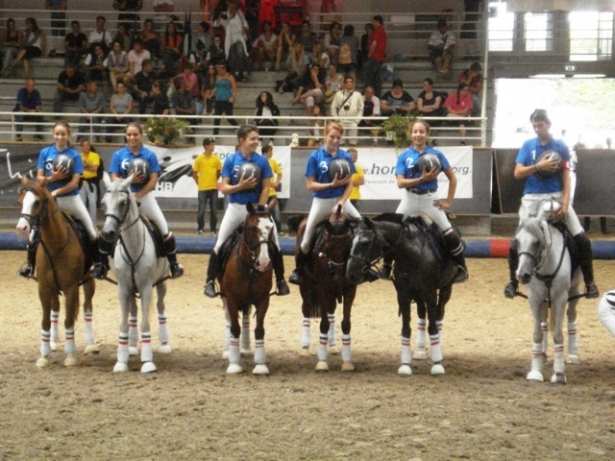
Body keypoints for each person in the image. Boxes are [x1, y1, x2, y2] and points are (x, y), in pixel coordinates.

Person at [503, 109, 599, 299]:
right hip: (532, 198)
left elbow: (566, 176)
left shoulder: (561, 146)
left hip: (555, 197)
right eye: (534, 126)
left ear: (548, 124)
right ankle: (513, 282)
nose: (537, 129)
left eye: (541, 125)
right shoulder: (527, 145)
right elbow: (517, 173)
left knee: (582, 239)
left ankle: (590, 283)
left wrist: (565, 204)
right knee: (517, 242)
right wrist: (539, 166)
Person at [203, 125, 290, 297]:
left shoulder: (262, 161)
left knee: (276, 244)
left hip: (257, 210)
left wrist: (260, 209)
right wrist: (240, 186)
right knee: (220, 244)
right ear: (242, 141)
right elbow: (225, 188)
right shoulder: (230, 161)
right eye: (253, 139)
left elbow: (266, 188)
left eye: (257, 139)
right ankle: (210, 281)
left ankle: (280, 280)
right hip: (236, 208)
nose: (256, 142)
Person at [94, 121, 184, 279]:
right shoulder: (119, 155)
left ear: (141, 136)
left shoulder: (149, 155)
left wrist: (136, 196)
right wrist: (128, 183)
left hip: (145, 198)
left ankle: (173, 264)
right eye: (129, 135)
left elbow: (153, 180)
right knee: (108, 229)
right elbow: (114, 176)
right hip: (123, 198)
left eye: (135, 134)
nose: (132, 137)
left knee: (164, 230)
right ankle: (101, 264)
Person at [386, 119, 468, 283]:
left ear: (427, 134)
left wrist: (448, 201)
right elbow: (400, 183)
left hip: (430, 199)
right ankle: (386, 266)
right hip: (409, 198)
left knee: (448, 231)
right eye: (415, 131)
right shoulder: (404, 155)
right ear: (411, 134)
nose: (418, 135)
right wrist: (422, 179)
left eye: (421, 132)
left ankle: (461, 268)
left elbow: (452, 178)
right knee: (392, 230)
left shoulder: (437, 155)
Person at [19, 121, 104, 279]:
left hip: (70, 198)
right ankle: (30, 266)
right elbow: (40, 178)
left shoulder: (74, 156)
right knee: (33, 234)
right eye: (57, 134)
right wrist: (54, 178)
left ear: (68, 135)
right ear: (53, 134)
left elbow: (74, 182)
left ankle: (98, 264)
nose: (60, 137)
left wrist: (56, 191)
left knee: (91, 231)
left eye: (63, 134)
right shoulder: (45, 152)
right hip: (47, 201)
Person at [289, 121, 362, 284]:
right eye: (332, 137)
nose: (335, 140)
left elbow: (350, 184)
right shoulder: (315, 156)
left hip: (341, 201)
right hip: (322, 202)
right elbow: (310, 185)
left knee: (364, 228)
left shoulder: (345, 156)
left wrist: (342, 202)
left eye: (338, 137)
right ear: (325, 135)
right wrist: (331, 184)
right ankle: (299, 270)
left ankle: (362, 269)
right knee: (307, 238)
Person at [192, 137, 221, 235]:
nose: (213, 147)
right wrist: (199, 183)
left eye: (213, 145)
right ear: (206, 146)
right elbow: (195, 173)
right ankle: (200, 228)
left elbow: (218, 172)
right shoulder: (199, 158)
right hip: (203, 189)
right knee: (201, 210)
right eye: (212, 145)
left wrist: (214, 181)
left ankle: (213, 230)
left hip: (213, 188)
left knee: (214, 211)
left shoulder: (216, 158)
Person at [214, 2, 249, 81]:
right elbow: (215, 24)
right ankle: (234, 73)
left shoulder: (239, 14)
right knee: (231, 56)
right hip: (230, 40)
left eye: (233, 7)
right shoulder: (226, 18)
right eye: (230, 7)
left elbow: (245, 24)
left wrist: (245, 28)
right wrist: (220, 16)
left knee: (240, 52)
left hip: (239, 38)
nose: (231, 9)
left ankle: (238, 71)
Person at [330, 75, 364, 146]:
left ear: (353, 84)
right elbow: (333, 107)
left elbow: (361, 108)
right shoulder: (338, 94)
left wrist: (357, 120)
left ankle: (352, 154)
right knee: (340, 141)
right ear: (344, 84)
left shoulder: (358, 95)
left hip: (353, 121)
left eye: (351, 82)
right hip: (341, 121)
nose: (349, 83)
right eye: (347, 82)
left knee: (353, 141)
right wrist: (336, 119)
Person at [211, 62, 238, 136]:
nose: (219, 72)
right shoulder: (217, 77)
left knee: (229, 117)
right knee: (217, 118)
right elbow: (216, 87)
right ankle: (215, 135)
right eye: (218, 70)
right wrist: (211, 94)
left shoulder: (230, 77)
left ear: (224, 69)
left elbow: (235, 89)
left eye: (220, 70)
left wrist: (232, 97)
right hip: (218, 99)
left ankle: (237, 127)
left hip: (227, 99)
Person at [364, 15, 387, 98]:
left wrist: (370, 54)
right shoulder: (383, 31)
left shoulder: (377, 30)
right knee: (377, 79)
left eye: (373, 21)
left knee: (369, 78)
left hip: (374, 56)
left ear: (377, 21)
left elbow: (374, 43)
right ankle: (377, 97)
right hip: (380, 57)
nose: (372, 23)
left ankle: (367, 96)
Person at [262, 144, 283, 233]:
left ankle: (278, 229)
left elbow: (280, 173)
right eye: (271, 151)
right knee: (262, 212)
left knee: (276, 212)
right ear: (266, 152)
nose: (272, 153)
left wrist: (277, 183)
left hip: (272, 192)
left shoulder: (273, 162)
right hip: (262, 192)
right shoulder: (259, 162)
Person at [79, 139, 100, 223]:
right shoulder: (79, 156)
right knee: (82, 203)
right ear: (81, 147)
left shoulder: (94, 155)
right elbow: (78, 169)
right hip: (81, 182)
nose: (86, 147)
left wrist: (85, 165)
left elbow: (95, 168)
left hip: (91, 182)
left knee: (92, 203)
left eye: (88, 145)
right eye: (84, 145)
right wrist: (88, 167)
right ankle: (83, 222)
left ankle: (93, 223)